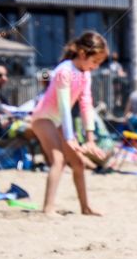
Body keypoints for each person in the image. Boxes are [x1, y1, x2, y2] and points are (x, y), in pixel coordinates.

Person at [31, 32, 108, 216]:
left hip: (58, 121)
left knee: (78, 163)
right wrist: (69, 137)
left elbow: (86, 104)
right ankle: (48, 208)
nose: (95, 66)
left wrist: (90, 139)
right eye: (95, 61)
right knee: (58, 160)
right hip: (43, 118)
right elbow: (65, 105)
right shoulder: (64, 71)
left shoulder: (85, 74)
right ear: (82, 53)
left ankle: (85, 207)